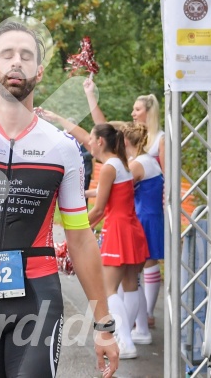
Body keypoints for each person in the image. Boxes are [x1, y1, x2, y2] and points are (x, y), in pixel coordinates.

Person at [0, 20, 119, 378]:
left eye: (26, 55)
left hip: (38, 295)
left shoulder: (62, 148)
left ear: (39, 72)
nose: (16, 62)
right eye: (7, 54)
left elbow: (80, 239)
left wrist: (103, 325)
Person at [85, 123, 150, 359]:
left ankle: (126, 342)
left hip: (118, 230)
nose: (89, 143)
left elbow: (99, 209)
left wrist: (78, 228)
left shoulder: (109, 167)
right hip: (131, 227)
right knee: (131, 284)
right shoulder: (120, 163)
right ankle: (128, 339)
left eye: (91, 138)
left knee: (108, 288)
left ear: (100, 141)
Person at [121, 122, 164, 339]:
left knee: (131, 277)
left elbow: (117, 191)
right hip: (150, 216)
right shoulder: (147, 160)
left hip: (144, 218)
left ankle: (134, 328)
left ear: (126, 141)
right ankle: (140, 326)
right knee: (135, 276)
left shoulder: (138, 164)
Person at [83, 79, 164, 172]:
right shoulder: (129, 131)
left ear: (150, 112)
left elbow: (167, 175)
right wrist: (90, 94)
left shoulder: (161, 139)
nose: (132, 113)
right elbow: (103, 126)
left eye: (137, 110)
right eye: (133, 109)